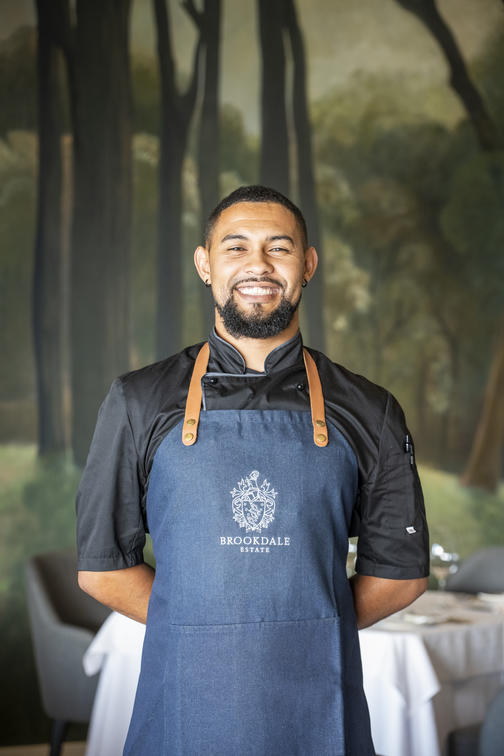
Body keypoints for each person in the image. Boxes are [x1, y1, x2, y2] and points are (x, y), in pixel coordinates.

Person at [76, 185, 429, 756]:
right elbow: (102, 569)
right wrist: (205, 628)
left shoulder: (371, 409)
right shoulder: (137, 401)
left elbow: (400, 574)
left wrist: (305, 630)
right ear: (204, 264)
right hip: (185, 697)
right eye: (236, 247)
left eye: (279, 248)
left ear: (307, 265)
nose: (258, 265)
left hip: (318, 705)